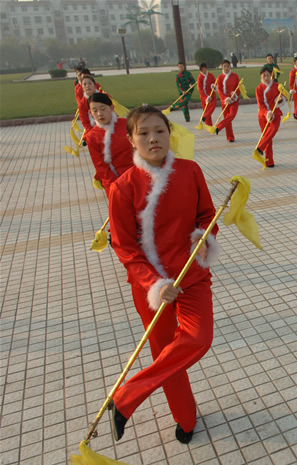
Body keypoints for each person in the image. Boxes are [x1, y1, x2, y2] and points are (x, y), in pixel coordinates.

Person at [107, 105, 219, 445]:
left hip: (192, 277)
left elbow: (207, 214)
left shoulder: (190, 171)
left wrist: (203, 237)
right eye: (143, 133)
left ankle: (126, 397)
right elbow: (125, 247)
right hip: (151, 288)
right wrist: (153, 283)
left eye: (159, 131)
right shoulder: (122, 187)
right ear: (130, 140)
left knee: (198, 339)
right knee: (167, 357)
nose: (153, 139)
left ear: (170, 133)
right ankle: (185, 418)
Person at [84, 93, 134, 193]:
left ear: (112, 108)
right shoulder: (91, 137)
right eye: (95, 111)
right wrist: (117, 186)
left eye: (103, 109)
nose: (99, 114)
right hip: (115, 184)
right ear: (90, 113)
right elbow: (102, 168)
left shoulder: (128, 124)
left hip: (138, 176)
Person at [254, 67, 287, 168]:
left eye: (268, 75)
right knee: (267, 137)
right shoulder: (259, 88)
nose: (266, 77)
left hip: (275, 113)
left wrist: (281, 99)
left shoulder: (277, 86)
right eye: (264, 76)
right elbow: (260, 104)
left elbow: (284, 98)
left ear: (271, 75)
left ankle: (260, 148)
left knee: (273, 129)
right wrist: (267, 113)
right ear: (261, 76)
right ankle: (269, 161)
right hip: (263, 115)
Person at [214, 60, 240, 142]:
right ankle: (230, 137)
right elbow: (219, 90)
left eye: (227, 66)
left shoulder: (235, 76)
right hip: (225, 101)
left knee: (231, 115)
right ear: (222, 67)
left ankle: (219, 127)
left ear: (230, 66)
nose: (226, 68)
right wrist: (225, 98)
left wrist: (234, 96)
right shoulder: (219, 77)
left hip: (234, 100)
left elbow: (238, 88)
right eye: (224, 66)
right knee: (227, 119)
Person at [196, 63, 217, 127]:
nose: (204, 71)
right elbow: (200, 89)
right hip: (204, 97)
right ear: (201, 70)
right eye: (203, 70)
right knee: (206, 110)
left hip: (212, 95)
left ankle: (205, 116)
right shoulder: (200, 78)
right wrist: (206, 97)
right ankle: (209, 125)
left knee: (213, 106)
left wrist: (214, 86)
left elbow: (215, 83)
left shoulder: (210, 75)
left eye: (205, 69)